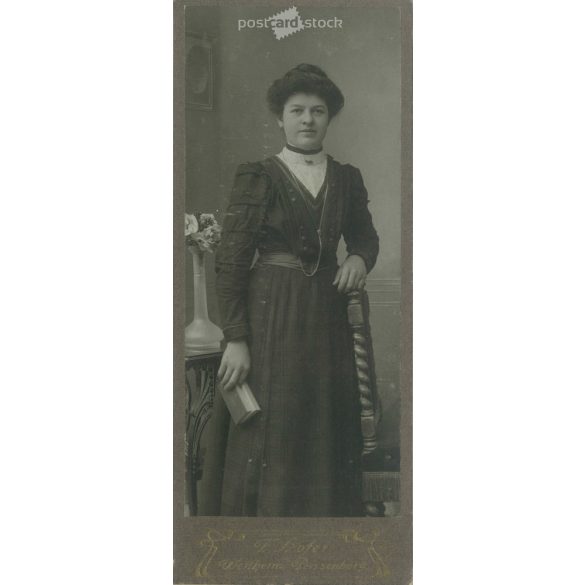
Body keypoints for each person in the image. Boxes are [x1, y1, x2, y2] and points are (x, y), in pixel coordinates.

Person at [198, 64, 379, 517]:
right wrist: (236, 338)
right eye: (296, 110)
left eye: (317, 111)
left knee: (321, 424)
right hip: (270, 315)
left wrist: (358, 258)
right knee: (270, 426)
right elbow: (232, 261)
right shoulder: (257, 176)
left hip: (326, 316)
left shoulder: (346, 178)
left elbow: (365, 237)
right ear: (280, 118)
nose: (307, 120)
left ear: (329, 119)